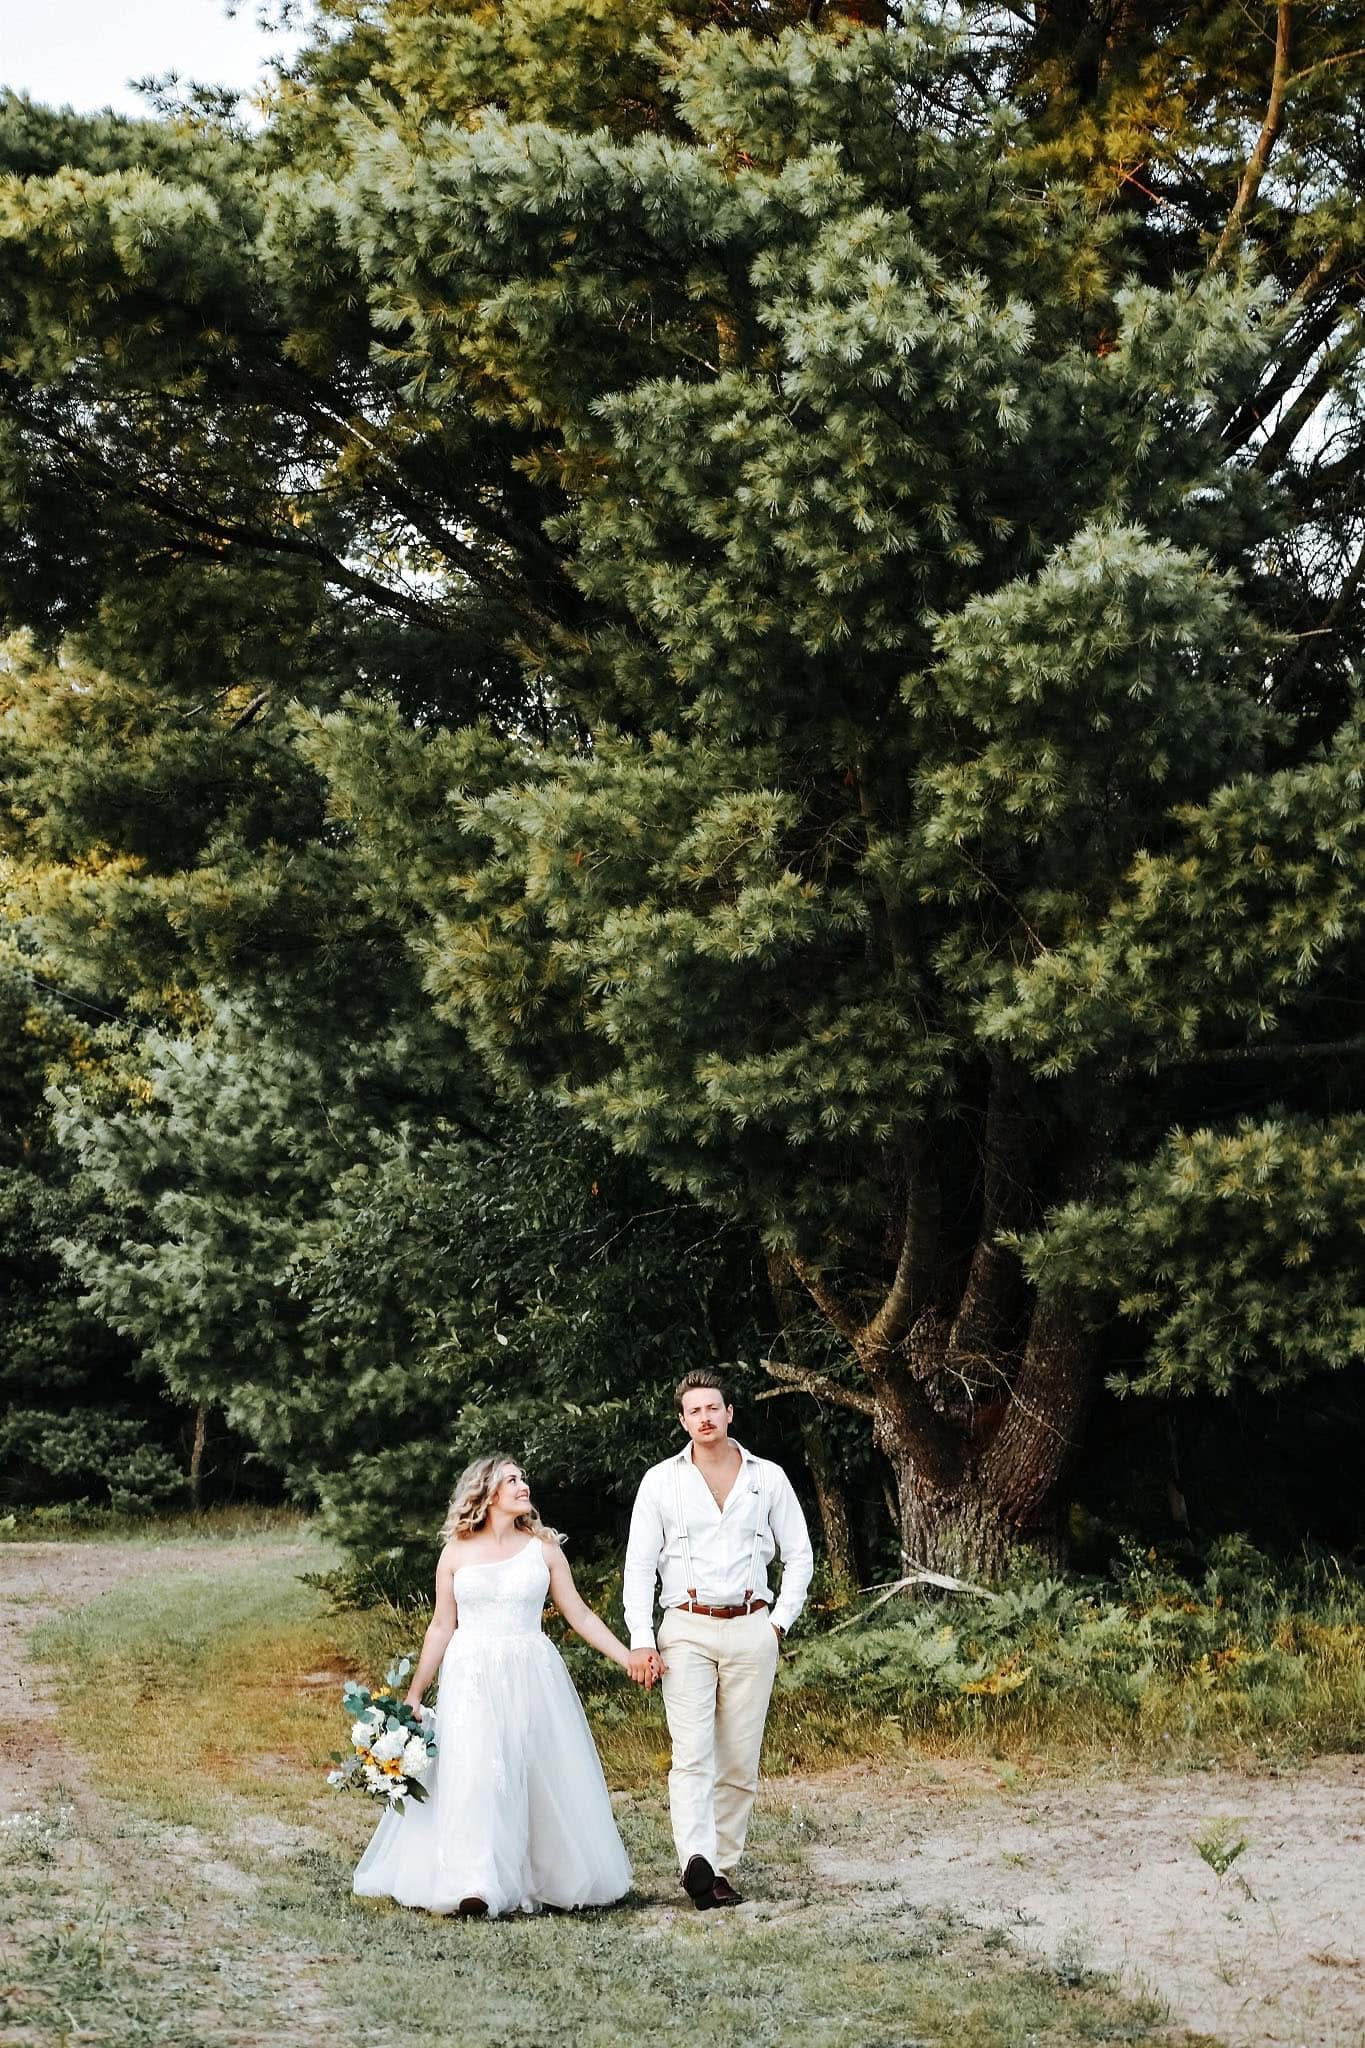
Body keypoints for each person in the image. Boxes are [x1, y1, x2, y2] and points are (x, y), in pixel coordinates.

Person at [352, 1454, 636, 1919]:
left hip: (531, 1672)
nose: (524, 1485)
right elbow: (442, 1625)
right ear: (486, 1493)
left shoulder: (542, 1548)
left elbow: (579, 1613)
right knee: (476, 1774)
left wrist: (626, 1657)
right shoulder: (456, 1552)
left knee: (534, 1769)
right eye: (511, 1480)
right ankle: (475, 1882)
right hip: (472, 1674)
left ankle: (544, 1876)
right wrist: (415, 1693)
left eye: (523, 1478)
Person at [623, 1370, 813, 1909]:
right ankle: (695, 1860)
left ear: (730, 1413)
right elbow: (638, 1567)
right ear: (683, 1422)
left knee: (739, 1759)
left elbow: (799, 1554)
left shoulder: (767, 1477)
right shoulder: (661, 1482)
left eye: (713, 1408)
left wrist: (778, 1623)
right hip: (685, 1627)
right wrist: (642, 1638)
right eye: (694, 1411)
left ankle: (720, 1869)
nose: (704, 1418)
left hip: (753, 1625)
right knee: (692, 1753)